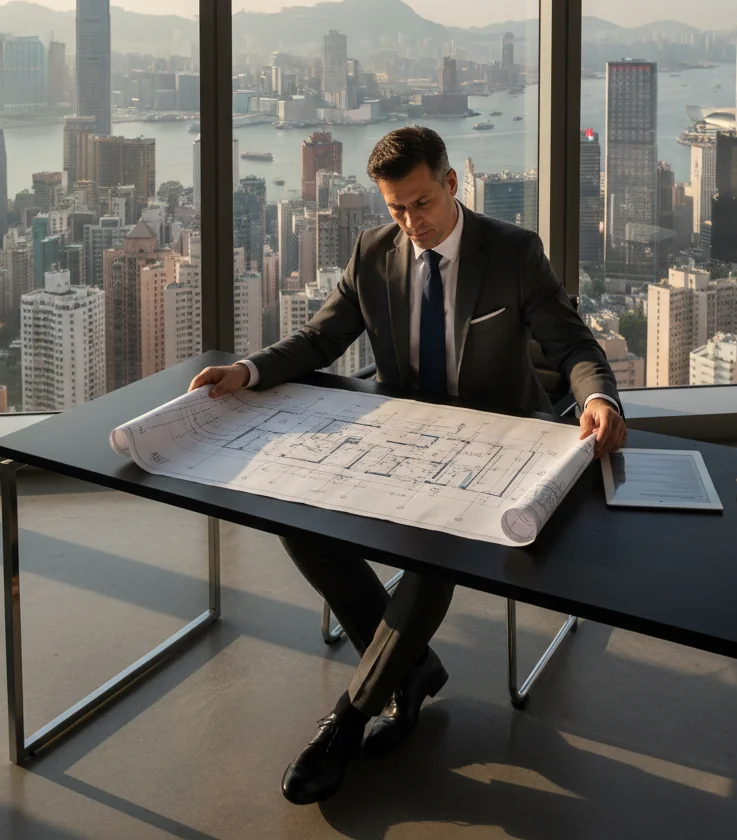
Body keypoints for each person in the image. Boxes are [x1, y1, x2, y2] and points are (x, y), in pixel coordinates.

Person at [189, 126, 626, 804]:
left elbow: (571, 345)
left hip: (493, 447)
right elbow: (322, 336)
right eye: (394, 208)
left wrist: (596, 398)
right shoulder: (373, 253)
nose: (410, 222)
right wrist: (247, 370)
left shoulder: (511, 253)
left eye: (420, 203)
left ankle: (351, 717)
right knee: (297, 521)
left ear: (451, 184)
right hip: (398, 441)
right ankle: (410, 667)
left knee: (432, 558)